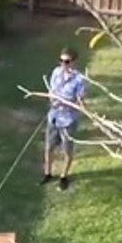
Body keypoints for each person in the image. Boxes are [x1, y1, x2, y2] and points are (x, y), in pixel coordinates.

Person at [42, 47, 86, 190]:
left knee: (66, 151)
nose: (63, 64)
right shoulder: (56, 72)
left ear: (73, 62)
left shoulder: (79, 79)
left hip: (68, 119)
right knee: (49, 148)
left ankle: (63, 177)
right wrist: (52, 99)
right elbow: (51, 91)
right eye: (61, 61)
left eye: (66, 61)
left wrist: (66, 103)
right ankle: (48, 174)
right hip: (53, 117)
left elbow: (80, 102)